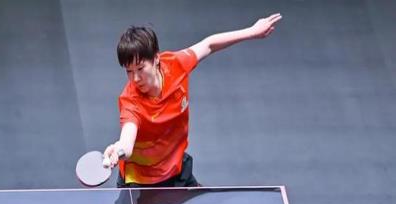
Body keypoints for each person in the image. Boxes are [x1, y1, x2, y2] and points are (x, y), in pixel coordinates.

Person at [103, 14, 282, 187]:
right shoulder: (130, 102)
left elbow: (209, 44)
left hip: (175, 169)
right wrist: (118, 150)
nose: (135, 78)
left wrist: (252, 31)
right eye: (129, 71)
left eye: (140, 68)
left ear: (156, 58)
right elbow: (127, 142)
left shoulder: (176, 65)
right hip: (140, 183)